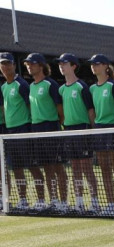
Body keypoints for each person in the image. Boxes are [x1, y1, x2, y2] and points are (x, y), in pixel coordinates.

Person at [24, 52, 69, 213]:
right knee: (47, 168)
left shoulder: (51, 84)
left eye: (32, 63)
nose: (29, 66)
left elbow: (60, 110)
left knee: (57, 167)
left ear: (41, 65)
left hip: (51, 128)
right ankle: (54, 201)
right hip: (37, 129)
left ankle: (63, 202)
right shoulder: (31, 86)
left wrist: (59, 126)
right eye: (27, 64)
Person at [1, 51, 44, 211]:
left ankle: (41, 200)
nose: (4, 67)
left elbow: (30, 106)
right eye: (2, 64)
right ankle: (23, 200)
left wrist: (30, 129)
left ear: (13, 65)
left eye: (7, 63)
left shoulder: (22, 84)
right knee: (17, 168)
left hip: (24, 129)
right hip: (9, 132)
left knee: (32, 165)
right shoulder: (4, 87)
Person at [57, 53, 98, 214]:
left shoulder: (82, 87)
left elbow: (90, 110)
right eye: (60, 64)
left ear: (73, 66)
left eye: (64, 63)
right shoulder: (61, 89)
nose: (61, 66)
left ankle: (94, 202)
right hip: (68, 130)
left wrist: (92, 131)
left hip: (83, 129)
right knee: (75, 169)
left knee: (87, 168)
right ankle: (79, 202)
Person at [88, 53, 114, 216]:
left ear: (105, 66)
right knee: (104, 169)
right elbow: (92, 112)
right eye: (92, 64)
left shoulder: (113, 86)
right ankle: (110, 203)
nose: (93, 66)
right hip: (100, 130)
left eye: (97, 64)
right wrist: (95, 129)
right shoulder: (91, 88)